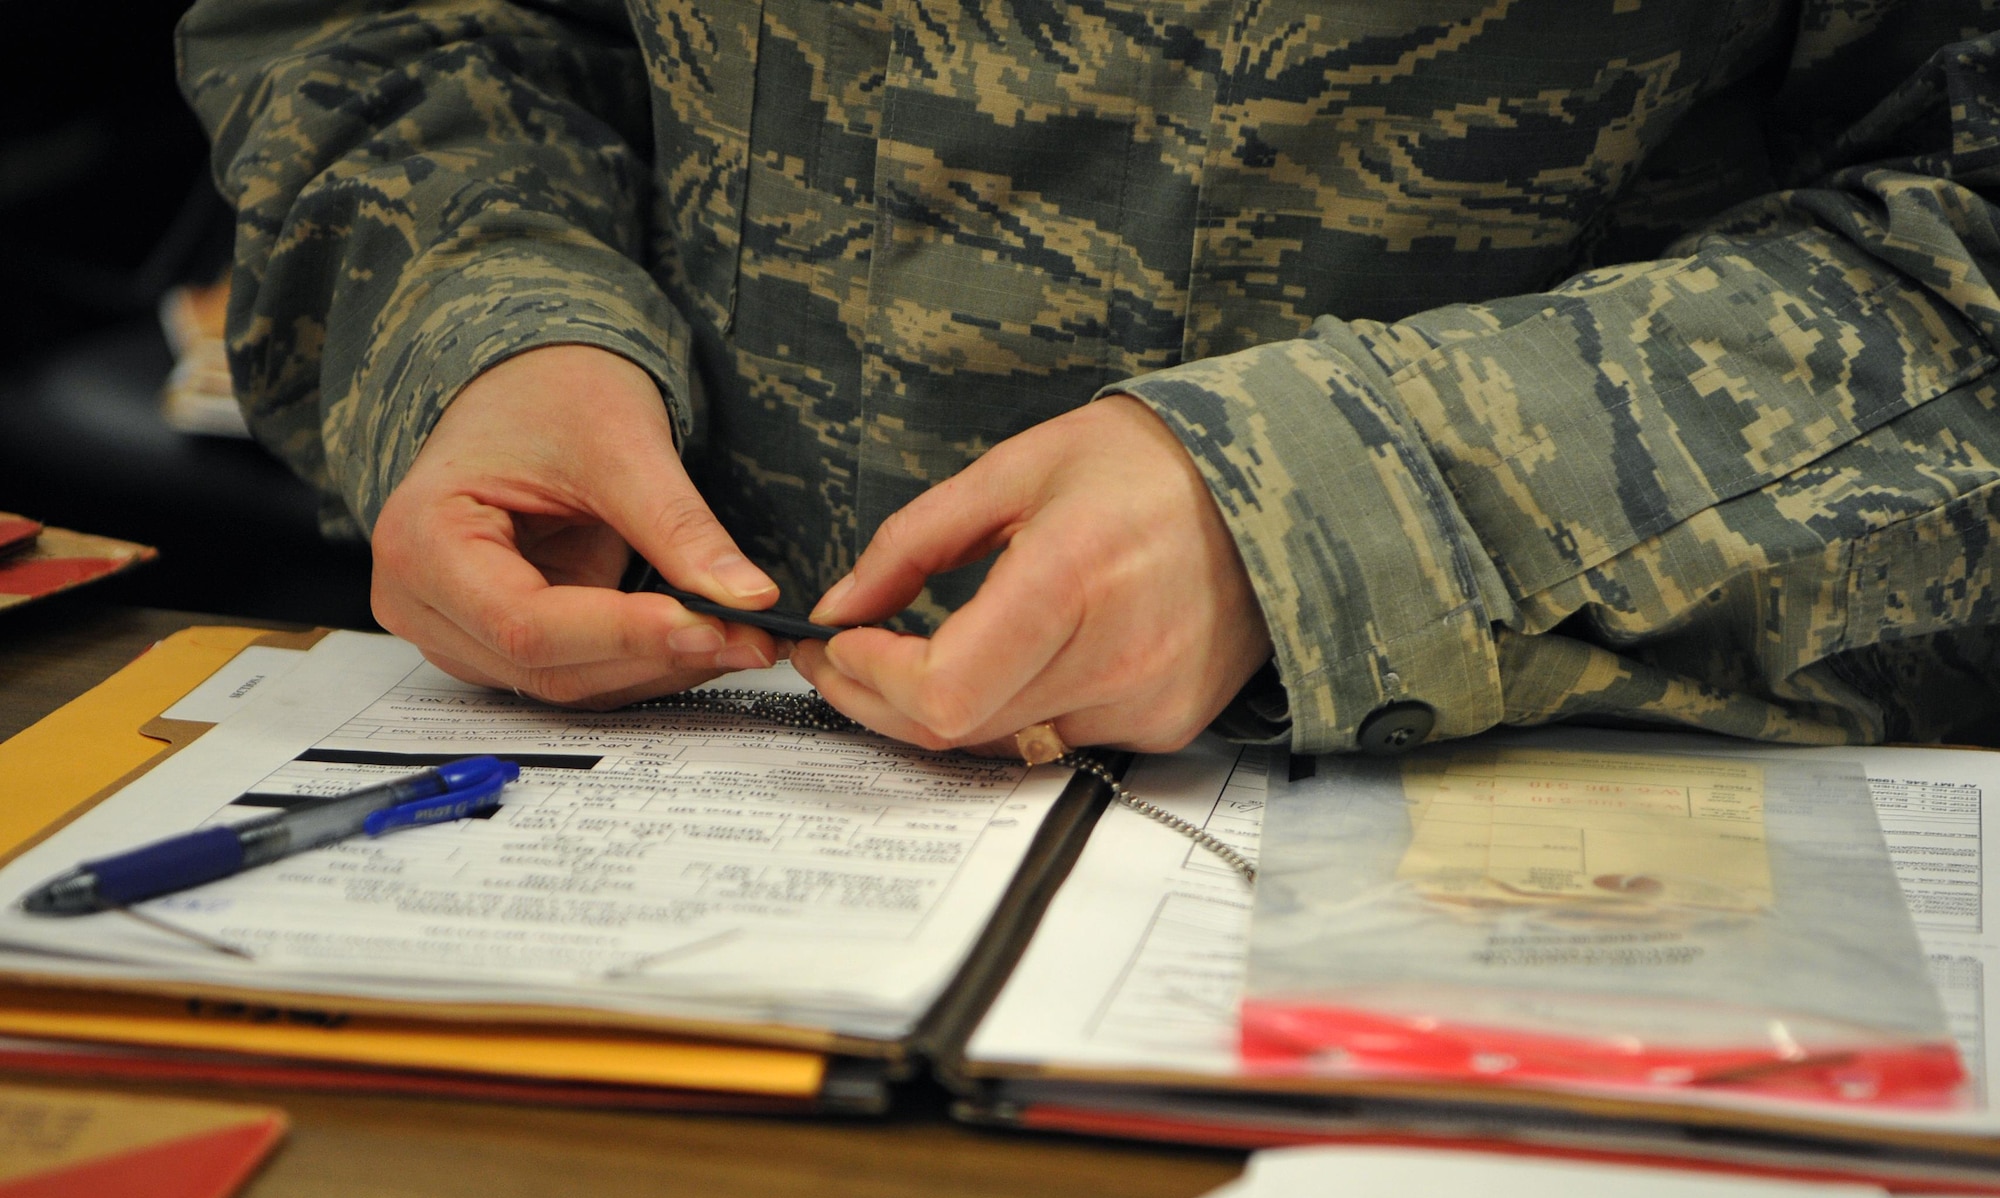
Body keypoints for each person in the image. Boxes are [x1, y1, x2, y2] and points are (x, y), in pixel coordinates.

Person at [177, 1, 2000, 756]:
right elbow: (383, 27)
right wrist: (486, 325)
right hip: (681, 801)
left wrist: (1325, 510)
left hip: (1558, 869)